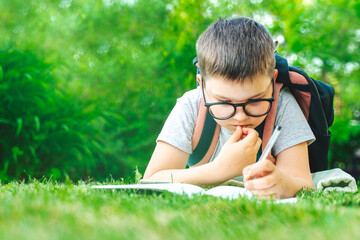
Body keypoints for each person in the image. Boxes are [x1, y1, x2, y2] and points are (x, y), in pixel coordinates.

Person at [143, 16, 315, 199]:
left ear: (272, 82)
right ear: (202, 86)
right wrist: (221, 169)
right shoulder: (191, 106)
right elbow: (152, 179)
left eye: (255, 100)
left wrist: (282, 183)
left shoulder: (282, 105)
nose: (240, 117)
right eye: (224, 102)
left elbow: (303, 182)